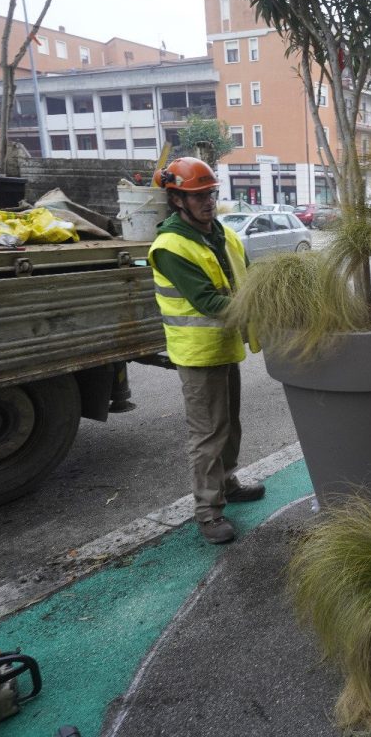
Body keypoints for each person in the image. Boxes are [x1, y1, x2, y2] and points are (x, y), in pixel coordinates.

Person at [149, 156, 264, 545]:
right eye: (198, 196)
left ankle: (228, 483)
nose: (208, 202)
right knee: (209, 433)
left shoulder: (223, 234)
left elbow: (249, 278)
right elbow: (208, 302)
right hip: (198, 354)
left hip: (225, 346)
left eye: (211, 194)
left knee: (229, 425)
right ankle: (208, 512)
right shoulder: (171, 246)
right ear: (177, 200)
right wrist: (266, 307)